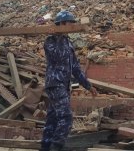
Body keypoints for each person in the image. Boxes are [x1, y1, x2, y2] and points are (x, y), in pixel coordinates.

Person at [40, 10, 98, 151]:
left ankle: (45, 147)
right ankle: (56, 147)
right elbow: (57, 57)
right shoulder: (50, 41)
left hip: (64, 86)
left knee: (53, 119)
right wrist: (58, 36)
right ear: (61, 24)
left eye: (72, 23)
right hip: (55, 84)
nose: (71, 26)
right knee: (66, 118)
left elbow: (76, 69)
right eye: (68, 23)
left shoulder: (68, 43)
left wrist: (88, 86)